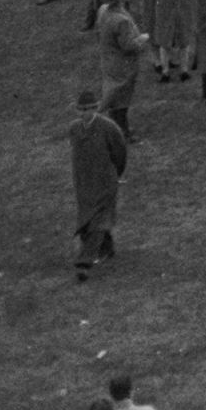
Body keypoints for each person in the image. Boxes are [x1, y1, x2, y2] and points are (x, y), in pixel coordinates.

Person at [72, 85, 130, 282]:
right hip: (84, 185)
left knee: (99, 220)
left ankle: (84, 263)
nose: (86, 113)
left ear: (96, 108)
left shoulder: (109, 128)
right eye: (82, 109)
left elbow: (120, 152)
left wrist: (115, 173)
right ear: (77, 110)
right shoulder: (74, 130)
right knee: (87, 220)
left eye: (90, 109)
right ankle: (107, 247)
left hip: (106, 182)